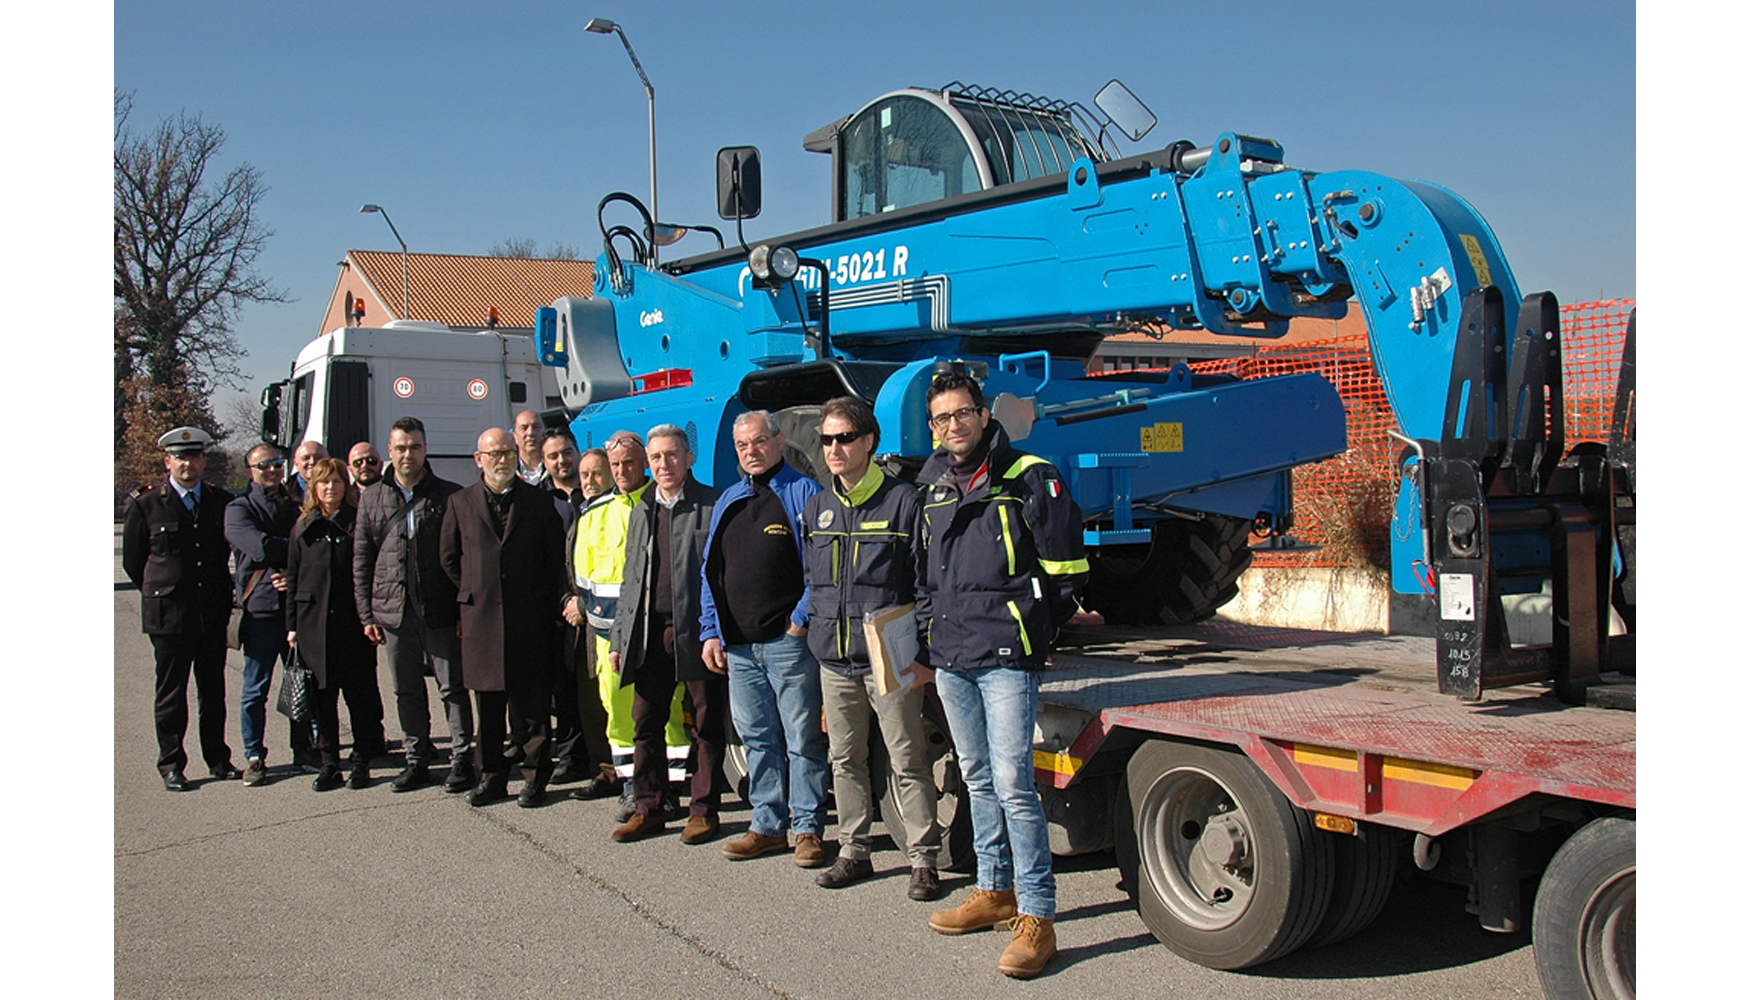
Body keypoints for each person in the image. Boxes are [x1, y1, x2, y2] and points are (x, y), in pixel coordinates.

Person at [916, 371, 1088, 979]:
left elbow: (1067, 570)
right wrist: (926, 630)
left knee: (1016, 783)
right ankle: (994, 890)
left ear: (984, 416)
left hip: (1006, 657)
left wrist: (1033, 628)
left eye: (962, 414)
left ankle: (1038, 916)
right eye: (941, 419)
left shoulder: (1028, 477)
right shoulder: (931, 484)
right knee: (978, 777)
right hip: (952, 657)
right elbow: (922, 574)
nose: (952, 427)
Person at [801, 397, 944, 899]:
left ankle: (924, 859)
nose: (834, 449)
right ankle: (853, 851)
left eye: (844, 438)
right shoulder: (817, 506)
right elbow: (811, 579)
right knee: (845, 757)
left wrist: (922, 651)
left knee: (907, 757)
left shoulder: (905, 501)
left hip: (889, 653)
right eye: (826, 440)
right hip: (833, 658)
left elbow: (924, 582)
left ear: (869, 442)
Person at [700, 411, 829, 867]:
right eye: (742, 446)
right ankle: (767, 824)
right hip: (738, 647)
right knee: (757, 737)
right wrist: (711, 631)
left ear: (778, 442)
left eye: (758, 442)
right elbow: (709, 573)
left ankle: (808, 829)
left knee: (801, 738)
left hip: (786, 643)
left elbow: (821, 567)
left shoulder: (804, 493)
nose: (750, 452)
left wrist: (798, 620)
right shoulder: (728, 500)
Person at [607, 425, 726, 844]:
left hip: (696, 629)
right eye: (656, 457)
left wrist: (717, 634)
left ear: (688, 457)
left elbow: (720, 574)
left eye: (672, 455)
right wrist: (621, 639)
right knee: (646, 721)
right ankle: (650, 806)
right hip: (648, 631)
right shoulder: (641, 508)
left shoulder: (711, 505)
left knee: (707, 723)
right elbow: (630, 579)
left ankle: (703, 810)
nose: (664, 464)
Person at [440, 427, 567, 808]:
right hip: (481, 623)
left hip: (530, 620)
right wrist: (473, 593)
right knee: (490, 710)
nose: (502, 460)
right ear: (478, 459)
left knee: (533, 709)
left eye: (508, 453)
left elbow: (552, 557)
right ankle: (492, 778)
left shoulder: (537, 502)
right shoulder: (460, 503)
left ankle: (534, 780)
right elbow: (448, 557)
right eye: (493, 454)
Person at [567, 431, 691, 816]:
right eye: (615, 465)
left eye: (629, 463)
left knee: (667, 712)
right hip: (610, 636)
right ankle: (631, 787)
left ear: (643, 464)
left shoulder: (661, 504)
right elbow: (582, 575)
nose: (622, 471)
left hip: (655, 630)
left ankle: (670, 787)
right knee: (619, 714)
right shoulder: (594, 513)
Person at [353, 417, 476, 794]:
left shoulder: (449, 495)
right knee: (406, 689)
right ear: (389, 452)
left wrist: (463, 609)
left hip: (439, 609)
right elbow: (362, 558)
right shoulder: (372, 497)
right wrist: (366, 613)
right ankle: (416, 759)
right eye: (401, 448)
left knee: (451, 687)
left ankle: (461, 758)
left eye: (415, 447)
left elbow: (463, 557)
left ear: (426, 449)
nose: (408, 454)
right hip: (393, 612)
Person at [121, 426, 239, 791]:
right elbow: (134, 562)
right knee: (171, 693)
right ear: (167, 461)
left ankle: (218, 757)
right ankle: (171, 763)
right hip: (170, 614)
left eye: (194, 456)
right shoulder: (146, 503)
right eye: (180, 457)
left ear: (203, 460)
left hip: (211, 611)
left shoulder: (220, 502)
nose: (187, 464)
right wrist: (162, 592)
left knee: (213, 691)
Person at [285, 457, 386, 791]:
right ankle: (329, 762)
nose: (331, 488)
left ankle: (361, 760)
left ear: (346, 486)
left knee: (359, 698)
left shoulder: (358, 524)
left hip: (352, 626)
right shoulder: (303, 527)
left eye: (337, 482)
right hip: (313, 627)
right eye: (324, 482)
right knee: (322, 701)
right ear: (314, 487)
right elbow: (294, 577)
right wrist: (292, 626)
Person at [225, 441, 317, 785]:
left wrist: (291, 571)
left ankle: (303, 749)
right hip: (260, 610)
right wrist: (292, 553)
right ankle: (254, 754)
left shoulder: (297, 506)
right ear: (250, 471)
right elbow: (258, 546)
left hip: (295, 608)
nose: (273, 470)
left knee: (299, 683)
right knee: (256, 688)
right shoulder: (239, 509)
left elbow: (312, 548)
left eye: (277, 463)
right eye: (264, 465)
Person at [540, 428, 591, 785]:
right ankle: (572, 756)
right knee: (565, 687)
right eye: (554, 456)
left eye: (567, 452)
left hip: (595, 603)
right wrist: (563, 600)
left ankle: (605, 759)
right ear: (545, 462)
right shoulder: (538, 502)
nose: (562, 460)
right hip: (557, 606)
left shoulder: (596, 493)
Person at [513, 409, 550, 488]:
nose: (530, 433)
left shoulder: (555, 467)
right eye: (524, 428)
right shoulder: (509, 471)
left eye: (536, 427)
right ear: (514, 437)